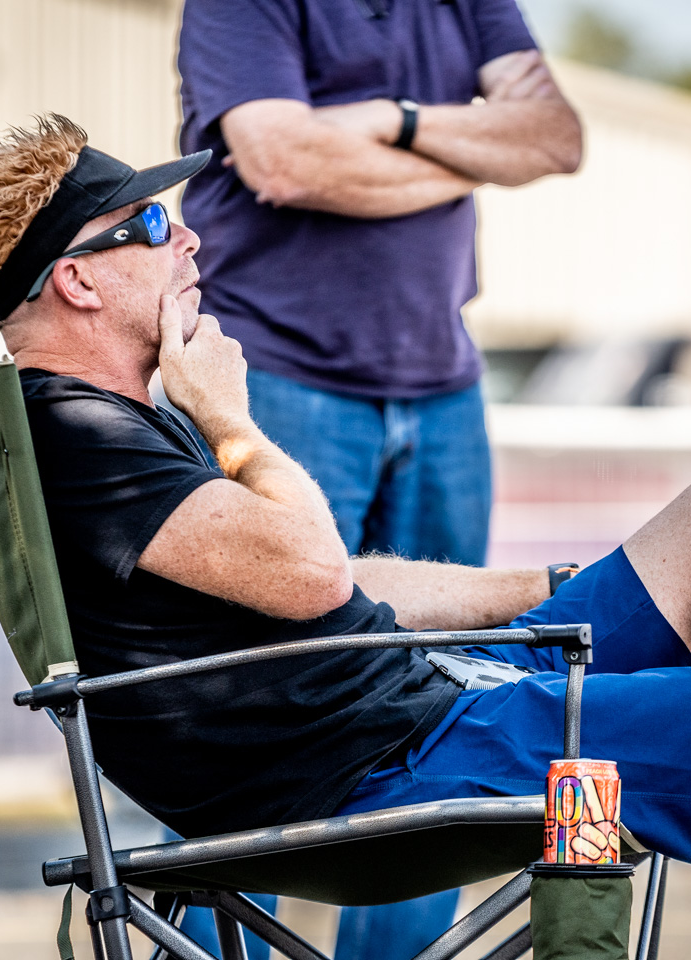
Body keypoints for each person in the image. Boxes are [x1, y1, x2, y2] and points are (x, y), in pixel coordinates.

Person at [0, 119, 691, 960]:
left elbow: (331, 582)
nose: (189, 237)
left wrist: (540, 590)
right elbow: (309, 574)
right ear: (77, 280)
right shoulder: (79, 431)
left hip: (425, 694)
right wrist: (231, 418)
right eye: (151, 226)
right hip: (387, 761)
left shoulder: (108, 423)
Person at [177, 3, 581, 946]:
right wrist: (473, 152)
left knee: (442, 695)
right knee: (251, 696)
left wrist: (388, 122)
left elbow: (554, 138)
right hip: (277, 377)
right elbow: (285, 162)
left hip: (445, 387)